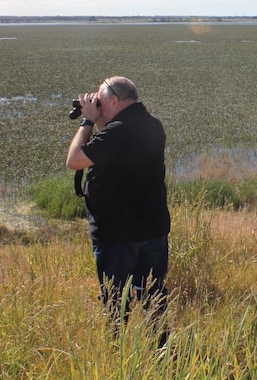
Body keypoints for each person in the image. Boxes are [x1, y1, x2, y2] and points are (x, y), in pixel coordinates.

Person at [66, 76, 171, 346]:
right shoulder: (153, 125)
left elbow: (74, 160)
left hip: (118, 236)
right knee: (152, 294)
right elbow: (114, 139)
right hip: (153, 230)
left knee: (115, 300)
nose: (98, 106)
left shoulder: (117, 132)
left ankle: (117, 354)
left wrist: (87, 121)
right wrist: (99, 117)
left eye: (101, 102)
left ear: (114, 101)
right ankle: (162, 352)